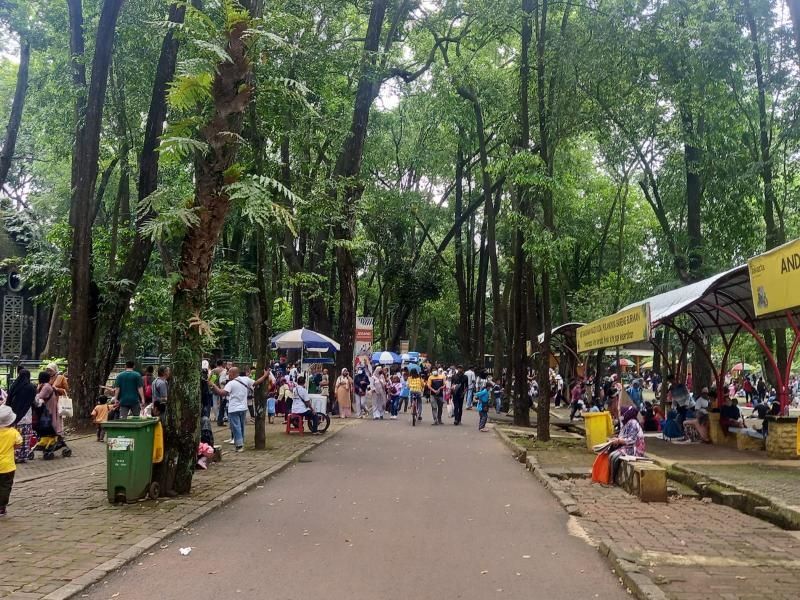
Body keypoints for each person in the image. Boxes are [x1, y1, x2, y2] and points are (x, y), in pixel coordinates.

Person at [213, 366, 270, 453]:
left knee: (236, 427)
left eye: (229, 373)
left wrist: (213, 386)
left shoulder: (230, 384)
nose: (228, 375)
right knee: (241, 426)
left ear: (233, 374)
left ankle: (239, 445)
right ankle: (240, 443)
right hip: (243, 408)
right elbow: (257, 382)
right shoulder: (246, 379)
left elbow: (222, 393)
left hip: (233, 409)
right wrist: (265, 375)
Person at [609, 405, 646, 481]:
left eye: (621, 413)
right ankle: (607, 475)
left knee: (614, 456)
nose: (620, 415)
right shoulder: (626, 423)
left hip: (634, 448)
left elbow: (631, 440)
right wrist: (616, 440)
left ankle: (612, 478)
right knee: (609, 452)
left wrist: (619, 441)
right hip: (628, 446)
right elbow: (623, 436)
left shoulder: (633, 423)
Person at [8, 369, 35, 463]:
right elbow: (33, 401)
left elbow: (9, 399)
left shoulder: (14, 385)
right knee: (25, 437)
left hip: (14, 416)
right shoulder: (31, 387)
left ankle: (14, 455)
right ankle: (23, 456)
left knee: (15, 437)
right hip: (26, 415)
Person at [0, 405, 22, 516]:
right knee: (5, 486)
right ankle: (1, 506)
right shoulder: (13, 433)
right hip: (8, 466)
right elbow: (18, 443)